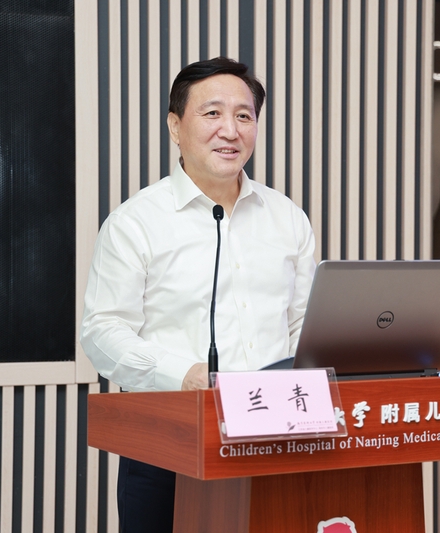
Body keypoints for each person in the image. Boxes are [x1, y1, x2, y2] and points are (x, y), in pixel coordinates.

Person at [79, 57, 316, 532]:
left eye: (244, 115)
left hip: (277, 438)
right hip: (169, 444)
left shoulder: (287, 217)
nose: (231, 130)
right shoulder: (136, 222)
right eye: (212, 113)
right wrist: (183, 375)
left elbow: (302, 325)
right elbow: (103, 331)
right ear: (175, 126)